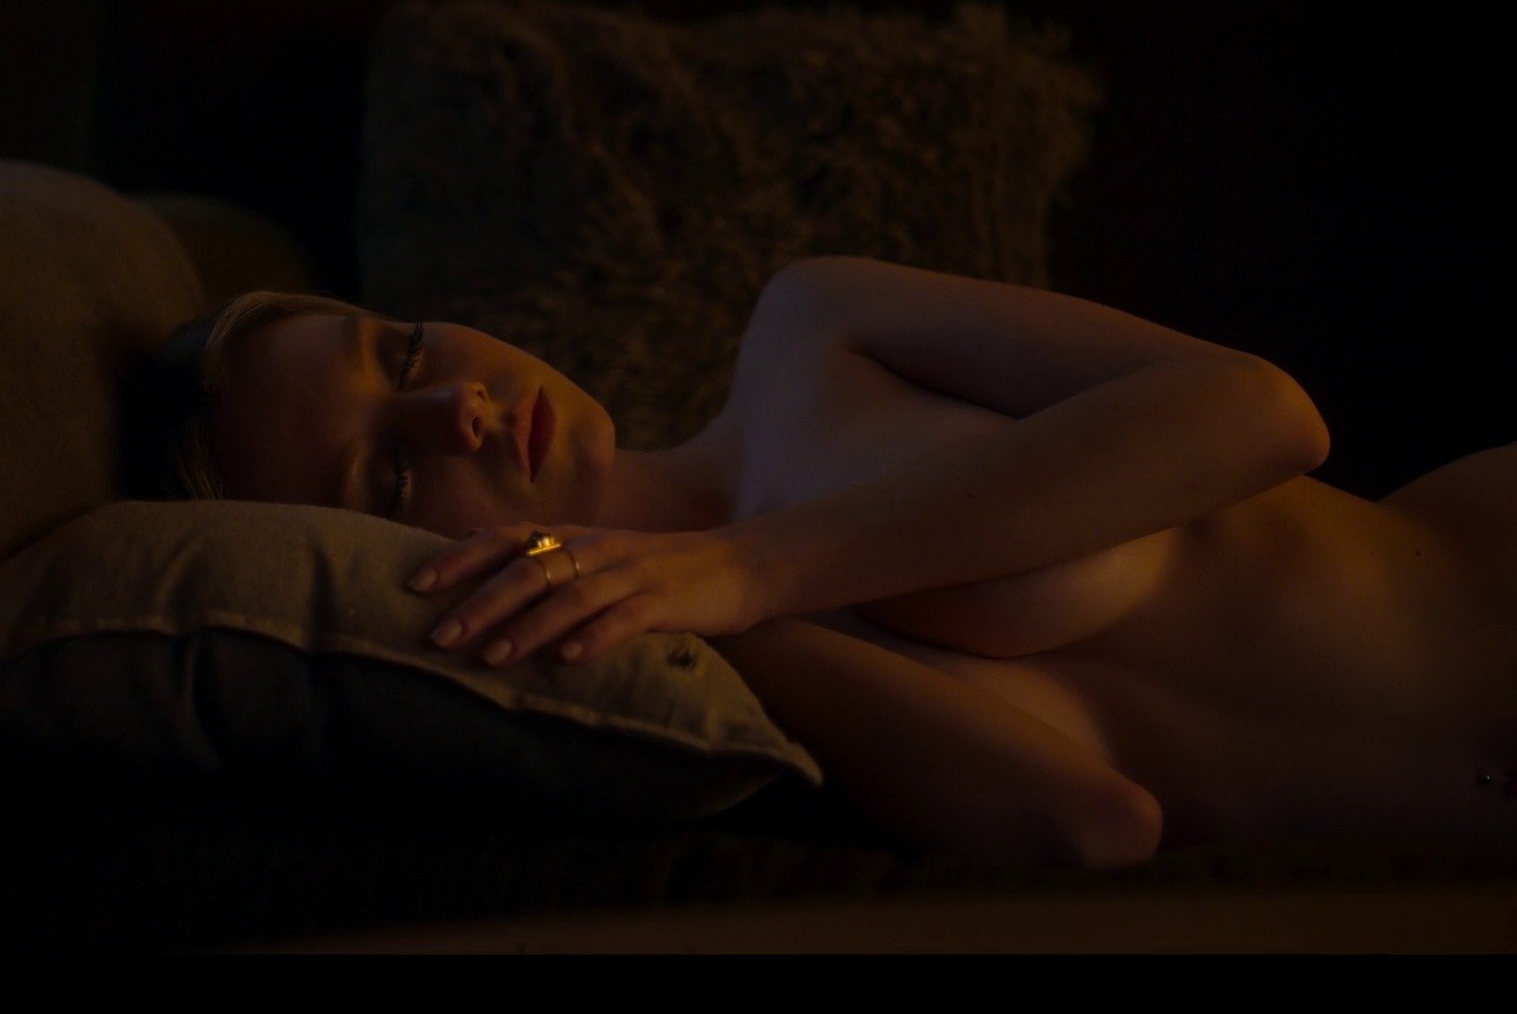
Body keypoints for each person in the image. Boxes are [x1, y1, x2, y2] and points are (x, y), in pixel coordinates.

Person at [125, 257, 1515, 870]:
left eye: (408, 354)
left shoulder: (816, 330)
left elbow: (1261, 415)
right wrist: (714, 613)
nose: (460, 410)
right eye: (391, 474)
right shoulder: (723, 676)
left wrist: (751, 567)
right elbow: (1093, 824)